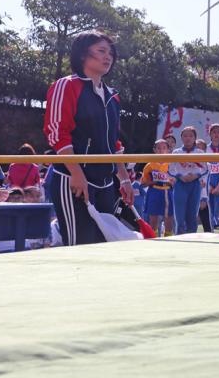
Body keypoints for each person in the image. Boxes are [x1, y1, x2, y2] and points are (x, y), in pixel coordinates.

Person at [43, 30, 135, 246]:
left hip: (105, 183)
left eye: (110, 53)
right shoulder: (66, 85)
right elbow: (57, 133)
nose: (108, 57)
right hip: (72, 180)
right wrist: (76, 173)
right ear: (83, 54)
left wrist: (124, 178)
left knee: (104, 245)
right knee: (79, 245)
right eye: (101, 51)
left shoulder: (113, 96)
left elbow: (114, 143)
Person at [169, 127, 207, 234]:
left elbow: (206, 169)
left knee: (192, 216)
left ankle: (192, 240)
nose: (188, 138)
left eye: (191, 136)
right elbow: (170, 169)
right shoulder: (176, 152)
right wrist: (180, 176)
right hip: (180, 185)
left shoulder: (200, 152)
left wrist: (196, 175)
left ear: (195, 138)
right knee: (179, 217)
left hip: (195, 185)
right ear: (181, 138)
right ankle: (179, 240)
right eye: (185, 136)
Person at [141, 139, 175, 237]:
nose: (161, 150)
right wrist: (153, 182)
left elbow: (177, 178)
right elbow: (143, 183)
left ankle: (168, 238)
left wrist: (173, 182)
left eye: (164, 148)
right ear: (154, 150)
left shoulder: (172, 164)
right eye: (159, 148)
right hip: (154, 192)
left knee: (169, 218)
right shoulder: (149, 165)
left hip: (167, 192)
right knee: (153, 219)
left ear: (168, 150)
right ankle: (153, 238)